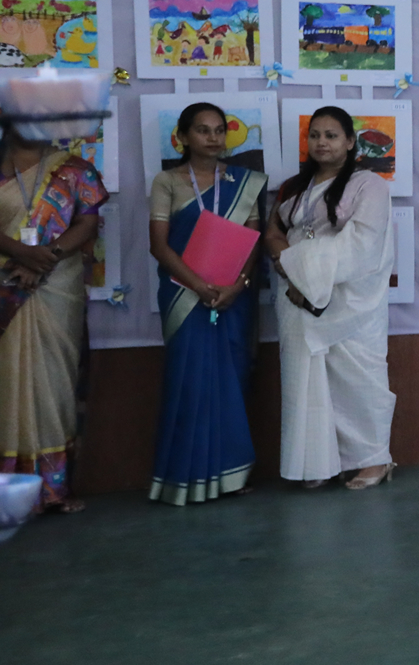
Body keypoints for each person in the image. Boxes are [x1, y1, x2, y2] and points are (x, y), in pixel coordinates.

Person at [262, 106, 397, 490]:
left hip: (351, 301)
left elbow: (363, 244)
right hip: (296, 296)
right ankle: (317, 462)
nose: (322, 142)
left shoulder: (368, 185)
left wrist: (299, 266)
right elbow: (274, 231)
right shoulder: (293, 187)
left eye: (332, 135)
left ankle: (374, 459)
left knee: (360, 381)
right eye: (315, 135)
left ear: (350, 142)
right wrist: (286, 264)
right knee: (305, 380)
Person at [148, 102, 266, 506]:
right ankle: (184, 477)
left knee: (230, 381)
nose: (213, 138)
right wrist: (198, 285)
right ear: (182, 137)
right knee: (189, 381)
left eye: (219, 130)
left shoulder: (244, 181)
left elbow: (254, 240)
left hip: (232, 298)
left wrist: (238, 285)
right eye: (202, 130)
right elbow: (159, 246)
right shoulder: (167, 181)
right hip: (185, 296)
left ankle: (231, 475)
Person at [0, 127, 106, 515]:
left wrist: (47, 256)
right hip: (5, 283)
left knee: (54, 387)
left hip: (57, 286)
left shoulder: (76, 170)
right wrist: (19, 254)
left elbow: (88, 223)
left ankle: (52, 490)